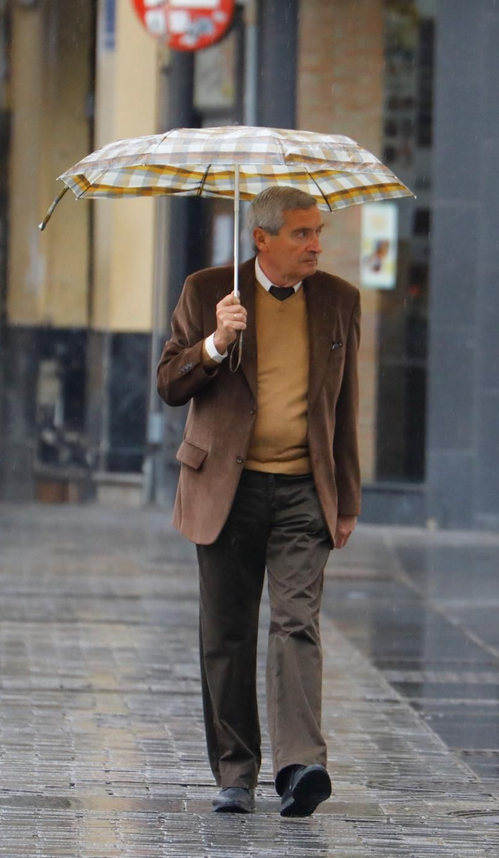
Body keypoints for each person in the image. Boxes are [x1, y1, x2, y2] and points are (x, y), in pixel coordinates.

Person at [157, 186, 360, 819]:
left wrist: (346, 497)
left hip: (304, 488)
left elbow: (346, 405)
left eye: (318, 232)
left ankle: (301, 765)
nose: (316, 245)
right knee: (227, 631)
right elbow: (168, 383)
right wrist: (216, 342)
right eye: (302, 234)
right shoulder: (206, 290)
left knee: (297, 622)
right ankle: (235, 773)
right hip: (225, 488)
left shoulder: (340, 301)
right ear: (261, 239)